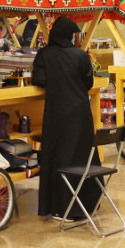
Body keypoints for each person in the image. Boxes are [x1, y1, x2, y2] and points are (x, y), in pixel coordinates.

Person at [31, 16, 100, 221]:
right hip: (81, 113)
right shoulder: (80, 55)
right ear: (69, 35)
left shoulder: (45, 54)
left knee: (59, 157)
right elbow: (88, 81)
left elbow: (39, 80)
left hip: (57, 114)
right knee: (81, 156)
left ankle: (62, 207)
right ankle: (87, 203)